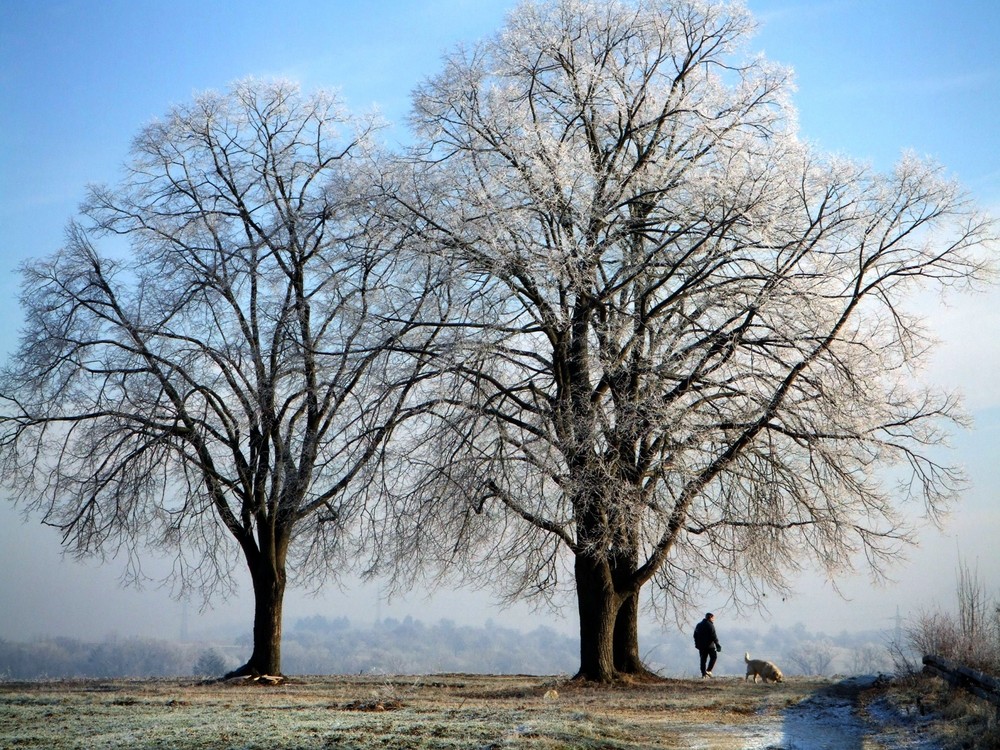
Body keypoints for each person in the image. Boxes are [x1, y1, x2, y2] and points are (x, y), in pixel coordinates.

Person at [693, 612, 722, 678]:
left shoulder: (698, 625)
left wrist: (697, 644)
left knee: (703, 660)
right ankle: (708, 670)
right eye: (713, 618)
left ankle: (703, 674)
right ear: (710, 618)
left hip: (701, 646)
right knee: (714, 657)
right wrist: (717, 644)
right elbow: (713, 636)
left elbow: (695, 635)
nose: (713, 620)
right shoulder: (710, 625)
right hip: (710, 646)